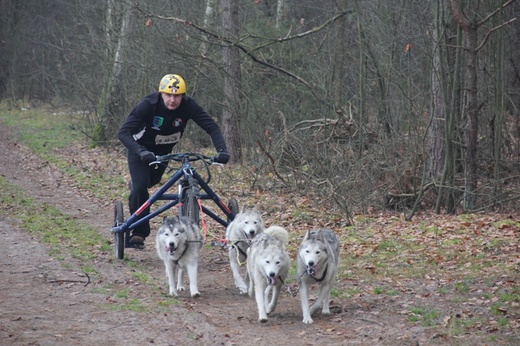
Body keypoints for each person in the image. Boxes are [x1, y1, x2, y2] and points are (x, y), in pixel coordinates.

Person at [118, 74, 230, 248]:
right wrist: (141, 151)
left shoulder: (188, 106)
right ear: (161, 94)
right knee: (140, 186)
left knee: (152, 182)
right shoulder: (148, 105)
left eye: (177, 96)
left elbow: (211, 127)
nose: (172, 100)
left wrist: (222, 150)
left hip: (164, 151)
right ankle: (139, 233)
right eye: (168, 95)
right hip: (140, 150)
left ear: (183, 96)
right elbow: (123, 133)